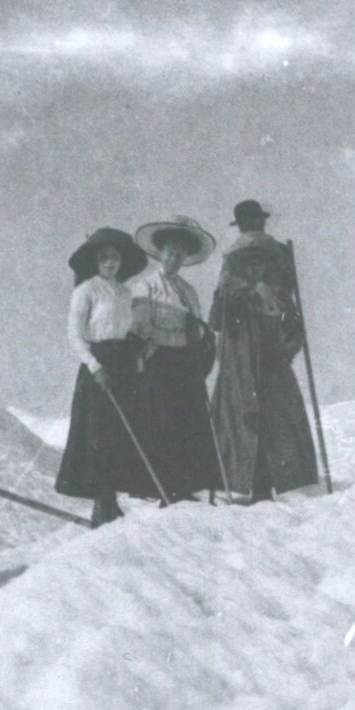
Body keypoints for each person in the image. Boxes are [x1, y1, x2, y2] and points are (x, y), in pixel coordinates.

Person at [208, 200, 319, 502]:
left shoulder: (232, 260)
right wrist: (291, 337)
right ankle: (274, 479)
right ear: (262, 224)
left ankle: (250, 480)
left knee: (241, 407)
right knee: (277, 408)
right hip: (273, 338)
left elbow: (218, 312)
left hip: (240, 342)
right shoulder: (280, 255)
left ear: (240, 226)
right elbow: (290, 305)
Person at [54, 227, 152, 527]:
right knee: (97, 434)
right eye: (104, 257)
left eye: (115, 257)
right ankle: (102, 503)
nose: (110, 263)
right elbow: (75, 335)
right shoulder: (86, 290)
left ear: (122, 261)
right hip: (98, 366)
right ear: (96, 261)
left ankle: (112, 501)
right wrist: (95, 367)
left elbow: (123, 330)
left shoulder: (124, 292)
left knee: (120, 433)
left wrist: (138, 351)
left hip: (122, 365)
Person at [130, 215, 226, 501]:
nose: (174, 257)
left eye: (180, 253)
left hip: (186, 364)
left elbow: (197, 324)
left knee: (189, 424)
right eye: (170, 252)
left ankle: (187, 485)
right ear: (161, 253)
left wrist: (199, 340)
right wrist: (172, 335)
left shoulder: (188, 291)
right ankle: (161, 488)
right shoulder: (145, 287)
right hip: (159, 363)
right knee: (162, 423)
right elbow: (140, 327)